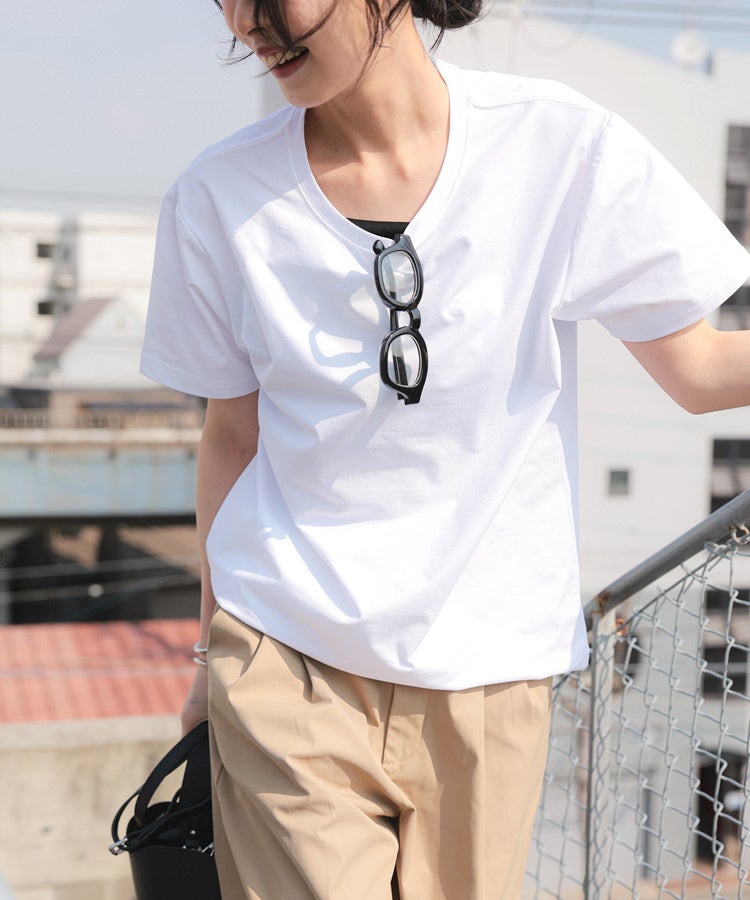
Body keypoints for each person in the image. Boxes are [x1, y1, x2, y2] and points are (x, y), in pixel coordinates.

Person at [139, 0, 750, 897]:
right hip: (285, 658)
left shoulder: (555, 146)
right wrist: (207, 661)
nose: (246, 21)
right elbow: (232, 436)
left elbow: (697, 369)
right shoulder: (217, 197)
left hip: (490, 673)